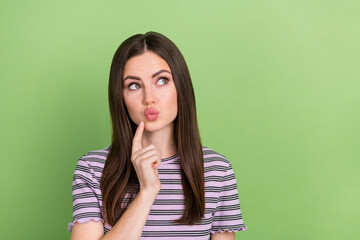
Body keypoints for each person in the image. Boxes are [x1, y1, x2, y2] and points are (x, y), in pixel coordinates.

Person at [68, 31, 247, 240]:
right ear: (120, 96)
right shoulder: (92, 169)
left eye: (162, 80)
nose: (149, 98)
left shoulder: (217, 170)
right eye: (134, 85)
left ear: (181, 86)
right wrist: (147, 192)